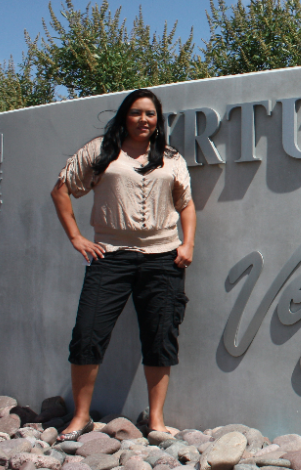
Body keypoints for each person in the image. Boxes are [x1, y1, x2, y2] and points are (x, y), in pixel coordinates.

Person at [50, 89, 196, 441]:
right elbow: (61, 190)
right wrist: (76, 238)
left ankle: (156, 421)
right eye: (135, 113)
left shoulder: (172, 158)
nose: (143, 119)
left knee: (161, 337)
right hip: (110, 255)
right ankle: (80, 418)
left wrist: (188, 243)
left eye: (150, 114)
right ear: (124, 116)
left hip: (163, 257)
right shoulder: (102, 151)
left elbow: (186, 205)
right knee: (87, 333)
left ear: (158, 120)